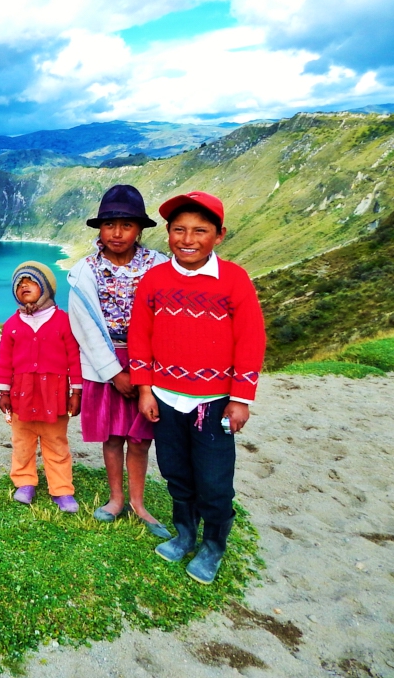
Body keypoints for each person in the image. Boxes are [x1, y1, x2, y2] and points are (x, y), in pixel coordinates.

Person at [128, 191, 266, 584]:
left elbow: (250, 340)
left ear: (219, 235)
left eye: (200, 231)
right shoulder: (155, 280)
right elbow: (141, 336)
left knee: (214, 479)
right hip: (166, 399)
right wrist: (144, 389)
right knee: (175, 471)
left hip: (214, 401)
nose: (187, 239)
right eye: (179, 230)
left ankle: (213, 546)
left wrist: (240, 399)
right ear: (168, 233)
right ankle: (185, 533)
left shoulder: (234, 280)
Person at [67, 184, 171, 539]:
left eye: (126, 225)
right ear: (99, 228)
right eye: (110, 224)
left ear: (139, 229)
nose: (117, 233)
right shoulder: (85, 272)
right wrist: (114, 373)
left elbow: (167, 319)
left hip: (147, 360)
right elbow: (84, 327)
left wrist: (143, 372)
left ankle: (139, 503)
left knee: (141, 438)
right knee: (112, 436)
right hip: (103, 362)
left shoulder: (160, 267)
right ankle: (115, 499)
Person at [0, 261, 83, 513]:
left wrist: (76, 392)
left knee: (56, 442)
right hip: (20, 395)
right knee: (22, 442)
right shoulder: (12, 324)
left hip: (54, 396)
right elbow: (4, 363)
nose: (24, 286)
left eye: (31, 281)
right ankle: (24, 482)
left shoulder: (64, 322)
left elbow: (74, 359)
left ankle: (62, 489)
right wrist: (3, 392)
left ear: (46, 287)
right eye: (19, 284)